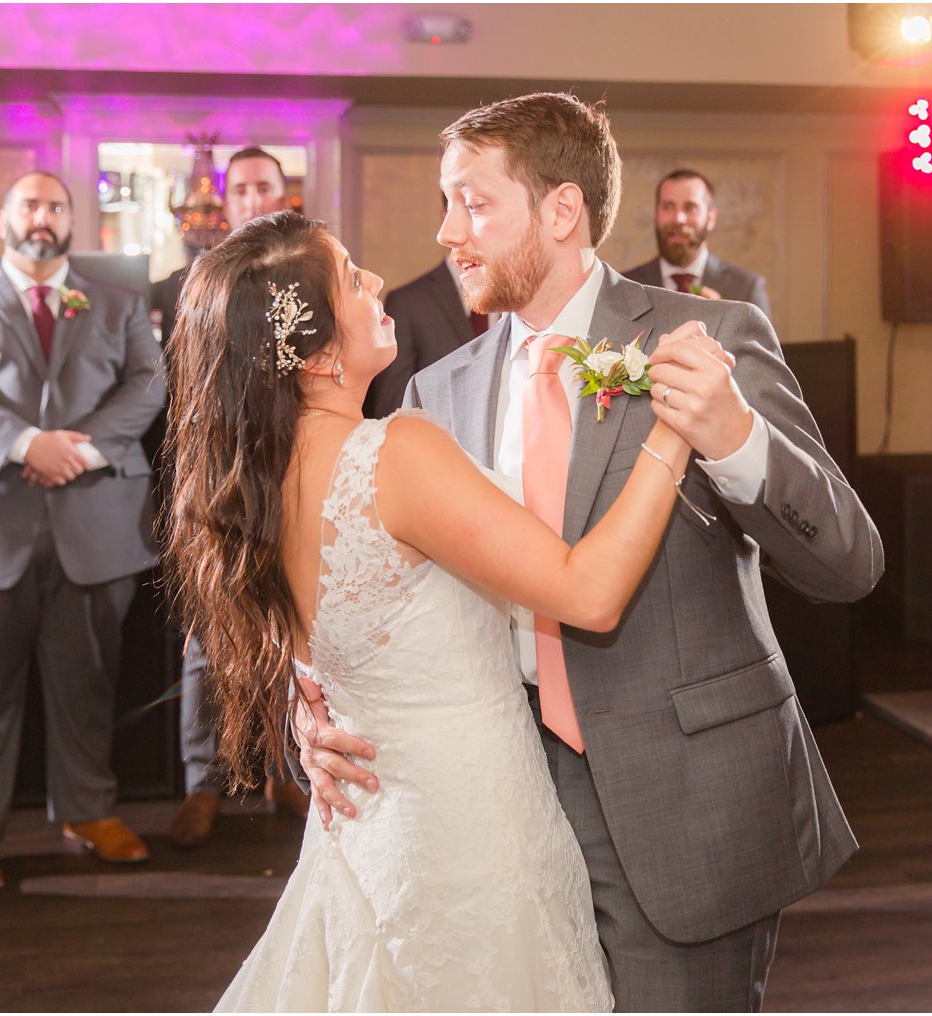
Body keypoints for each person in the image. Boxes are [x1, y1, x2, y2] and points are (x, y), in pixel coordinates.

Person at [302, 93, 881, 1011]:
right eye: (446, 204)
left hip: (684, 796)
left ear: (561, 211)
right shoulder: (432, 394)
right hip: (504, 800)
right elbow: (378, 589)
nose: (448, 231)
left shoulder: (709, 340)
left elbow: (849, 563)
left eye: (474, 202)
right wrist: (317, 702)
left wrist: (737, 441)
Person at [167, 210, 703, 1011]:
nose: (377, 281)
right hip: (470, 830)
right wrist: (674, 433)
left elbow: (331, 644)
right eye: (351, 276)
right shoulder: (395, 454)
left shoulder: (252, 490)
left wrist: (304, 708)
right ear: (313, 355)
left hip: (373, 827)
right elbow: (588, 593)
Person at [0, 171, 165, 893]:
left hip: (96, 524)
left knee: (88, 684)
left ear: (70, 220)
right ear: (3, 216)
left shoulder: (119, 303)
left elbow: (148, 384)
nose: (43, 216)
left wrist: (79, 447)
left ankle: (87, 811)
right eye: (29, 204)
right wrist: (28, 443)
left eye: (56, 206)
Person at [148, 146, 309, 847]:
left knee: (300, 627)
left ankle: (289, 772)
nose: (253, 198)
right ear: (226, 200)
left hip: (298, 473)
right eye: (240, 189)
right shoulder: (183, 285)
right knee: (210, 640)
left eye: (264, 187)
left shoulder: (315, 282)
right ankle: (203, 786)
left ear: (285, 196)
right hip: (215, 480)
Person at [364, 197, 496, 417]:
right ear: (445, 220)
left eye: (480, 210)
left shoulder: (519, 295)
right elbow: (393, 408)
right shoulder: (408, 302)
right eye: (469, 211)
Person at [622, 167, 773, 318]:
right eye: (668, 207)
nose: (678, 219)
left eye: (690, 208)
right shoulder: (625, 287)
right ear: (657, 213)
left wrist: (725, 322)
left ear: (711, 218)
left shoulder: (746, 288)